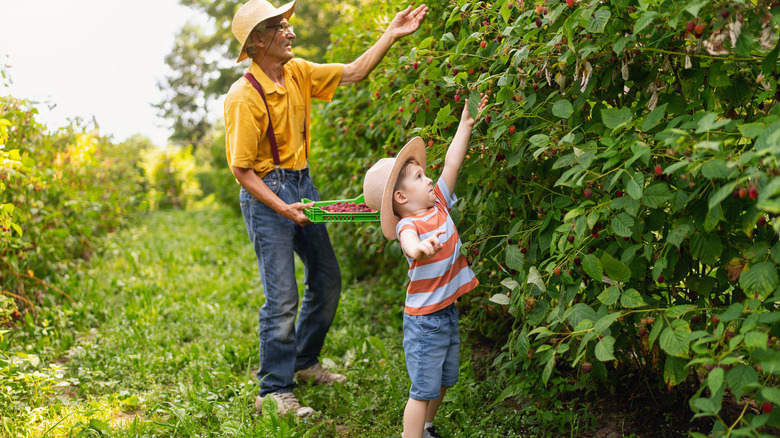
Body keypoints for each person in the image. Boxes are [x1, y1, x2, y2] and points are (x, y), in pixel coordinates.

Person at [224, 0, 428, 418]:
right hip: (268, 194)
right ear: (258, 40)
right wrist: (282, 207)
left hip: (303, 184)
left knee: (328, 278)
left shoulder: (298, 72)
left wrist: (391, 33)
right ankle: (273, 391)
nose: (291, 32)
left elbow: (353, 71)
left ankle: (303, 361)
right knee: (281, 298)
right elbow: (242, 170)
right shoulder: (243, 97)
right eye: (281, 27)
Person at [362, 94, 489, 438]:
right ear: (401, 198)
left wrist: (465, 124)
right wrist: (420, 248)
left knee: (446, 379)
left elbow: (452, 165)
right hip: (424, 322)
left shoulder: (441, 204)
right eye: (419, 177)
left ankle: (428, 428)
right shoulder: (410, 226)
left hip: (446, 311)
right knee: (422, 390)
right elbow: (408, 244)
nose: (429, 179)